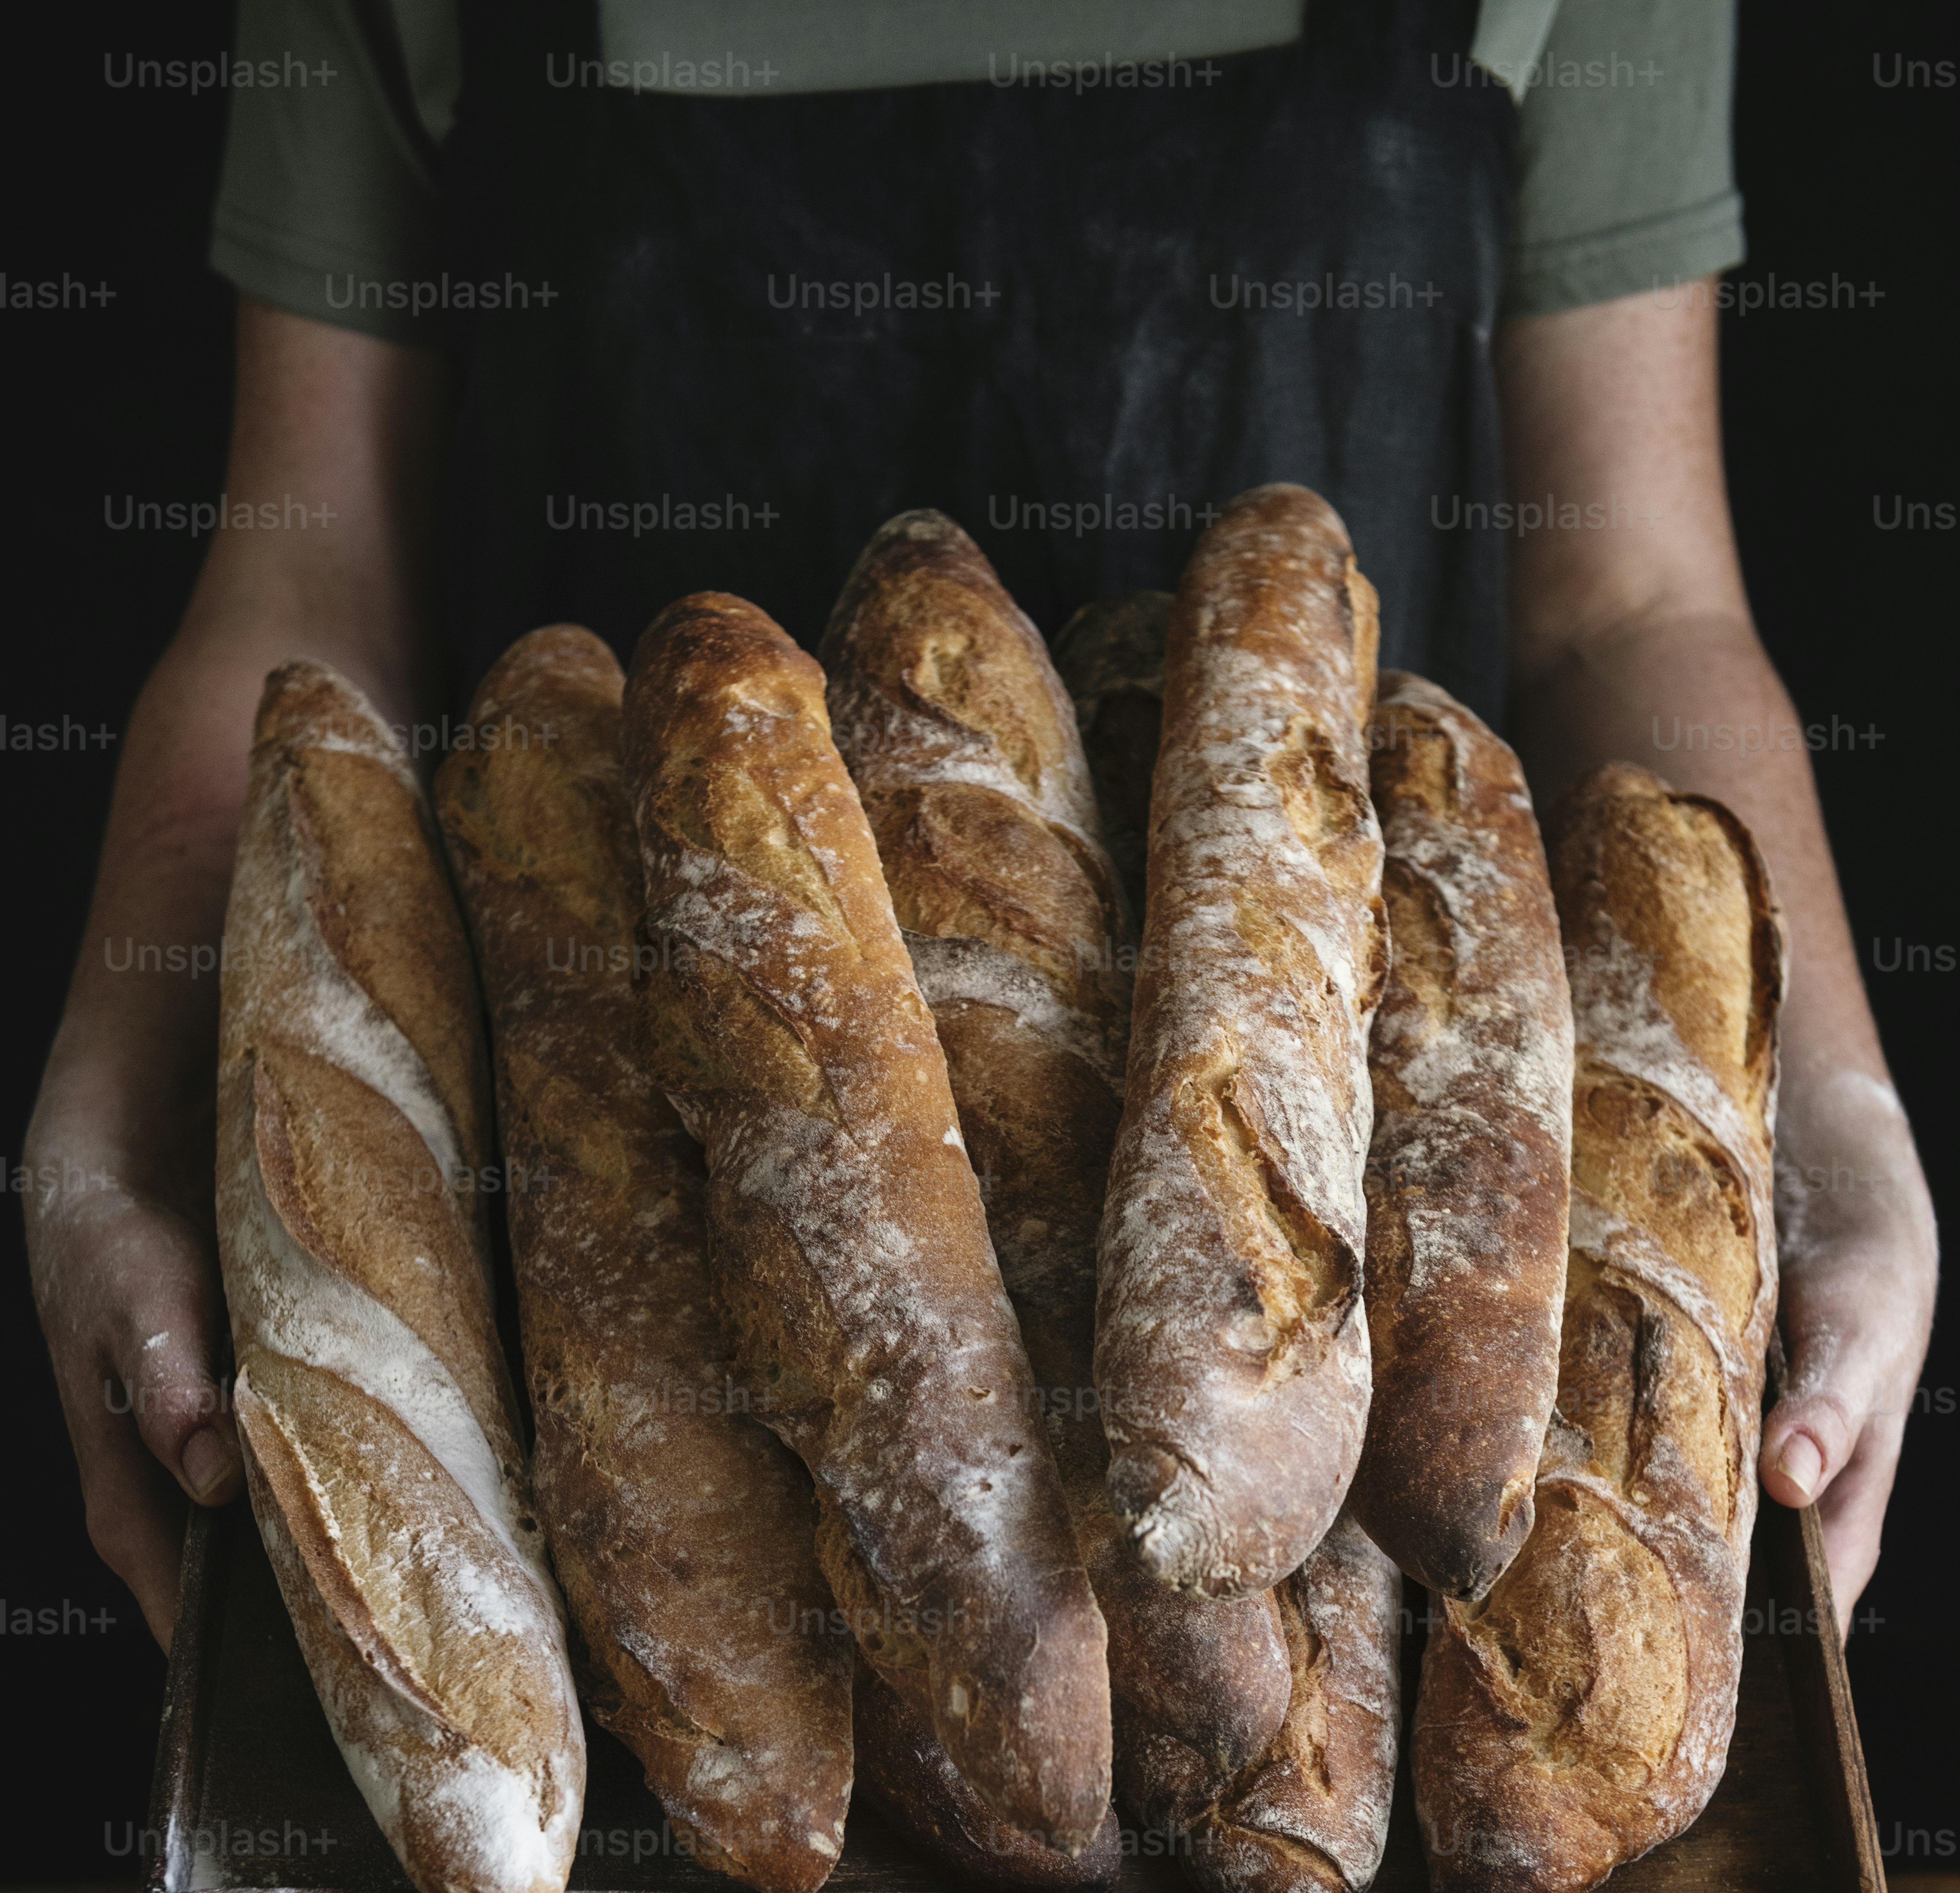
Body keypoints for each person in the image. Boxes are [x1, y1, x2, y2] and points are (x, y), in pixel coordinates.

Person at [27, 0, 1936, 1650]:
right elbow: (304, 596)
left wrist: (1835, 1110)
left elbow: (1631, 607)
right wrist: (119, 1091)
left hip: (1359, 1373)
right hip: (612, 1303)